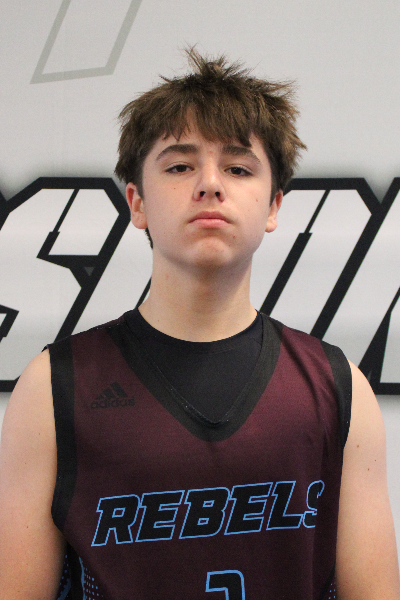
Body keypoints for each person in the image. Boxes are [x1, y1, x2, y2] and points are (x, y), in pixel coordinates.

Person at [0, 49, 399, 600]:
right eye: (179, 166)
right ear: (137, 202)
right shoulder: (52, 387)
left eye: (238, 168)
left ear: (273, 205)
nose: (210, 184)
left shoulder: (338, 388)